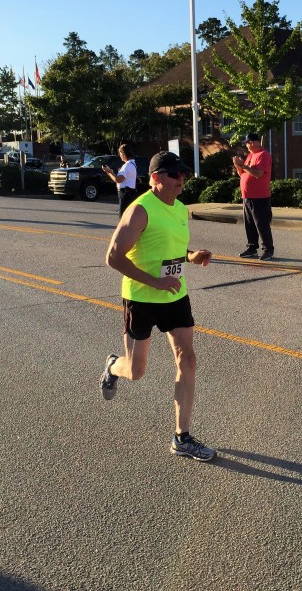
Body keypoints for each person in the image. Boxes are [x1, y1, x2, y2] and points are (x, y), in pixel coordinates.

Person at [100, 150, 216, 462]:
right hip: (141, 298)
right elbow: (113, 257)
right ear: (155, 178)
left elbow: (172, 247)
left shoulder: (180, 208)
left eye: (183, 173)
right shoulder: (140, 210)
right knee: (136, 371)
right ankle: (113, 366)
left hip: (175, 295)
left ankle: (182, 437)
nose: (182, 179)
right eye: (175, 174)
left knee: (187, 359)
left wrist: (191, 256)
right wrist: (154, 282)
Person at [232, 132, 274, 260]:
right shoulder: (250, 155)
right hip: (247, 196)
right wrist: (238, 166)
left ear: (253, 142)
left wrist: (243, 165)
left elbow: (258, 174)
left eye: (247, 143)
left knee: (261, 224)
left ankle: (268, 249)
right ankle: (252, 248)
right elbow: (244, 174)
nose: (246, 146)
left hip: (260, 197)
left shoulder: (263, 155)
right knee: (249, 224)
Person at [102, 143, 139, 217]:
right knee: (127, 216)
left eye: (120, 153)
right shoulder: (132, 164)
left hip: (125, 194)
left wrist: (109, 172)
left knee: (123, 217)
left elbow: (118, 180)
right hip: (129, 193)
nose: (120, 155)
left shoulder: (127, 165)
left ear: (124, 154)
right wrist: (111, 172)